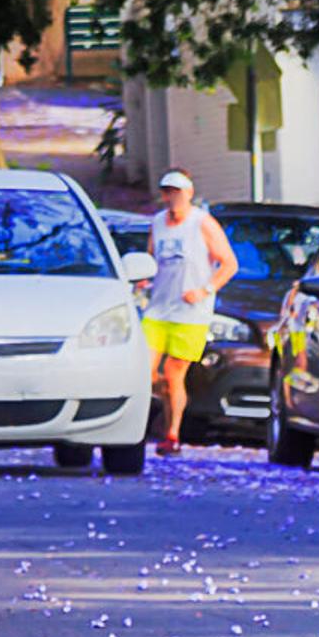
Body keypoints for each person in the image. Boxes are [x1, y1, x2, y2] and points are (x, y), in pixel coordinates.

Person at [139, 171, 240, 449]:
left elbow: (229, 263)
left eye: (178, 192)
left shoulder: (202, 223)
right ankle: (170, 401)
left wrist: (205, 290)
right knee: (142, 372)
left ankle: (172, 433)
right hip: (158, 309)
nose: (172, 198)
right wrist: (145, 279)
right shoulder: (158, 223)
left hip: (190, 313)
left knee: (174, 373)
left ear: (189, 193)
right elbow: (150, 258)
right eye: (167, 192)